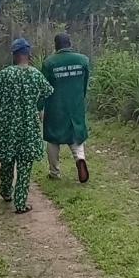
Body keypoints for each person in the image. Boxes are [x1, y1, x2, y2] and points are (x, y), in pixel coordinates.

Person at [0, 38, 53, 213]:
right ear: (28, 55)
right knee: (25, 164)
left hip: (7, 126)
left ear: (14, 55)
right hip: (28, 126)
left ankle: (5, 190)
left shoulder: (5, 74)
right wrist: (35, 104)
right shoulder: (35, 74)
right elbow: (48, 92)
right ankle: (20, 202)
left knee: (7, 160)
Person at [42, 33, 92, 183]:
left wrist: (40, 107)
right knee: (76, 134)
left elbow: (43, 88)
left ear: (56, 45)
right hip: (75, 105)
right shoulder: (83, 60)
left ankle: (54, 172)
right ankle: (80, 158)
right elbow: (84, 85)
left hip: (55, 107)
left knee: (52, 139)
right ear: (70, 43)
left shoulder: (49, 63)